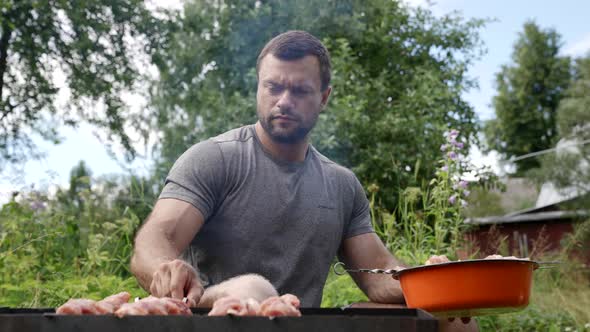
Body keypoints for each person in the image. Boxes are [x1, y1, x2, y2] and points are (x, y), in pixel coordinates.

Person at [131, 30, 476, 332]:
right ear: (258, 87)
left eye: (300, 91)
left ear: (324, 97)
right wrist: (165, 268)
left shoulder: (341, 185)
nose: (284, 101)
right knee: (254, 290)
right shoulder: (215, 159)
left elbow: (379, 273)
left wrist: (431, 281)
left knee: (448, 316)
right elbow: (157, 236)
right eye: (273, 87)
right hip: (216, 317)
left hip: (301, 323)